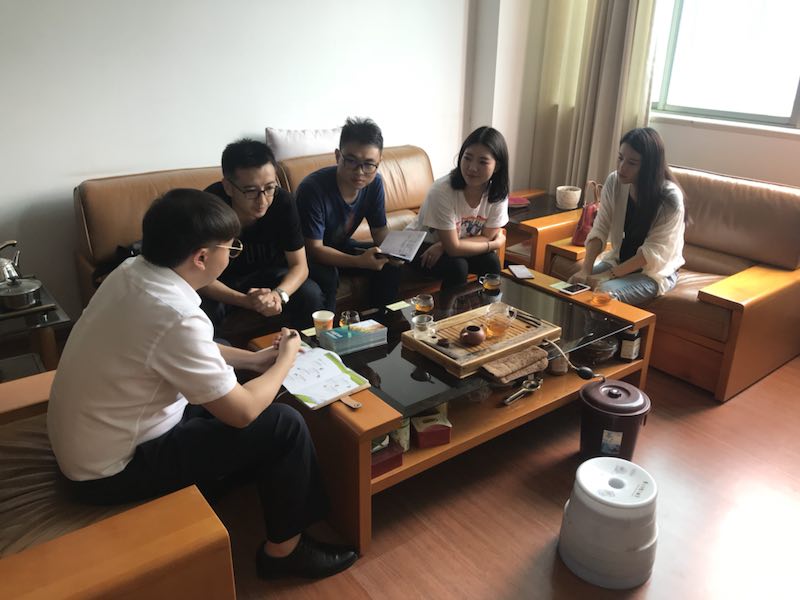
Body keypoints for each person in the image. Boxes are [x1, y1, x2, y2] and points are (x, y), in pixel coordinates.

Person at [47, 189, 357, 580]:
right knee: (282, 424)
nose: (233, 254)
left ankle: (230, 474)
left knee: (227, 354)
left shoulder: (131, 272)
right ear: (201, 257)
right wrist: (284, 360)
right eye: (232, 247)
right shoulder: (174, 314)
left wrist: (255, 359)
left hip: (95, 441)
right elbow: (243, 413)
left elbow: (177, 347)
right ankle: (284, 553)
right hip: (112, 472)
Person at [203, 139, 325, 330]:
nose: (262, 201)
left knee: (311, 294)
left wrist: (278, 295)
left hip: (270, 276)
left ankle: (306, 347)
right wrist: (245, 301)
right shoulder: (209, 207)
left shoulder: (282, 202)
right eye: (251, 191)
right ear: (228, 187)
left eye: (269, 188)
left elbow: (299, 266)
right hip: (223, 281)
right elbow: (200, 277)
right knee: (202, 312)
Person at [569, 127, 685, 306]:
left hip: (654, 273)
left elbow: (650, 254)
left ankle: (618, 327)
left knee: (602, 295)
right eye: (620, 158)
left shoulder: (669, 199)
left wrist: (606, 276)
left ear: (648, 166)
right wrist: (585, 270)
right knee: (574, 286)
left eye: (632, 163)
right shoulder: (614, 182)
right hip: (618, 261)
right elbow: (600, 229)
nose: (622, 167)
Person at [295, 117, 401, 312]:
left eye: (369, 164)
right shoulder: (312, 189)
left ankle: (381, 321)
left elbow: (379, 230)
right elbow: (314, 249)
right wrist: (359, 262)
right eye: (351, 161)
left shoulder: (375, 183)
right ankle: (327, 331)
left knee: (387, 263)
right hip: (307, 256)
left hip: (342, 247)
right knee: (328, 275)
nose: (360, 172)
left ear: (379, 162)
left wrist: (393, 252)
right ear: (338, 156)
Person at [406, 126, 509, 289]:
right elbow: (456, 248)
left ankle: (487, 305)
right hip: (421, 246)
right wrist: (494, 245)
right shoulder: (442, 191)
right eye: (467, 158)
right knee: (458, 266)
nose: (472, 168)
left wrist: (444, 246)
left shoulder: (497, 194)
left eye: (483, 162)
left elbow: (487, 236)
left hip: (449, 245)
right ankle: (450, 307)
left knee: (491, 262)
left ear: (497, 166)